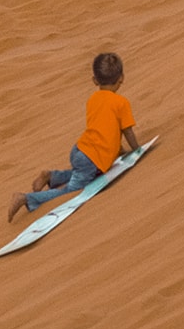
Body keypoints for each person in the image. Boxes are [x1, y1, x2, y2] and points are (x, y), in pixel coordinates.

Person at [7, 52, 140, 222]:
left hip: (81, 150)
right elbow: (126, 131)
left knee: (81, 173)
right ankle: (26, 198)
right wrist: (137, 150)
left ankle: (51, 176)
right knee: (73, 189)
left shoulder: (93, 99)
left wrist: (118, 150)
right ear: (121, 78)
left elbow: (103, 128)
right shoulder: (121, 103)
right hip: (92, 157)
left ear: (94, 80)